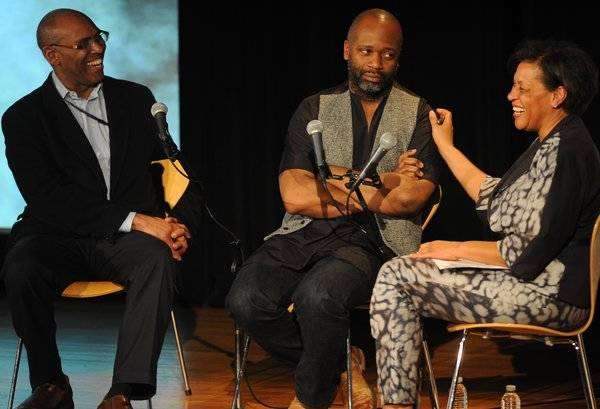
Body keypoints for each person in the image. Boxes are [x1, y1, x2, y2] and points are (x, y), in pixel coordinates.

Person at [226, 9, 440, 409]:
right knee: (246, 300)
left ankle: (311, 399)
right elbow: (294, 194)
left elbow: (411, 198)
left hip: (374, 240)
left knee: (318, 295)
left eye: (388, 54)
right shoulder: (315, 108)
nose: (376, 64)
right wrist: (384, 179)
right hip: (304, 230)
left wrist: (329, 179)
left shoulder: (418, 113)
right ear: (346, 50)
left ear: (399, 58)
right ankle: (343, 364)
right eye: (366, 51)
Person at [370, 39, 600, 408]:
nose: (511, 96)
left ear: (557, 95)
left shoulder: (566, 151)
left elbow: (522, 253)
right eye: (513, 86)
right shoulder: (553, 143)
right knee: (403, 270)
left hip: (548, 297)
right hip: (533, 285)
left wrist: (454, 250)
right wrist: (446, 147)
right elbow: (495, 196)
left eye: (523, 88)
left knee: (396, 277)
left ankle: (397, 404)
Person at [1, 9, 191, 409]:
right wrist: (139, 221)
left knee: (157, 258)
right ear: (52, 54)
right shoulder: (23, 117)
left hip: (124, 240)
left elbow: (161, 170)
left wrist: (170, 223)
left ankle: (123, 392)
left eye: (98, 37)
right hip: (57, 235)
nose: (97, 49)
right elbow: (48, 199)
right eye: (83, 43)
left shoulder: (135, 99)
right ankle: (51, 384)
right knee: (21, 266)